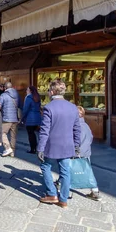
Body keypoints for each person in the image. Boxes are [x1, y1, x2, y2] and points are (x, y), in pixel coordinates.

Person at [37, 79, 81, 208]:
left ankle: (52, 194)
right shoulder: (73, 107)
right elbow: (77, 128)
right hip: (68, 144)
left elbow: (44, 131)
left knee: (45, 166)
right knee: (65, 171)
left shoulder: (48, 108)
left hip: (52, 145)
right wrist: (77, 145)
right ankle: (63, 199)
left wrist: (40, 148)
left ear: (51, 91)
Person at [77, 106, 101, 201]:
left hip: (77, 152)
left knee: (67, 168)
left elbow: (76, 140)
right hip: (86, 151)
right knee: (88, 171)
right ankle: (95, 191)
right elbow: (90, 138)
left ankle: (62, 187)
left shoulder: (76, 126)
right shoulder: (86, 125)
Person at [0, 82, 21, 157]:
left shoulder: (3, 95)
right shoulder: (17, 94)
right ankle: (12, 152)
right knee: (13, 135)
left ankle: (8, 148)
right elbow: (20, 105)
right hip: (15, 118)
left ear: (5, 88)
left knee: (2, 133)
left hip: (6, 118)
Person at [21, 85, 42, 154]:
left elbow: (25, 109)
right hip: (37, 117)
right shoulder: (37, 97)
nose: (26, 91)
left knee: (31, 134)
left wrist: (22, 118)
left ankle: (33, 149)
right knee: (35, 134)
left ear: (30, 91)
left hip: (30, 118)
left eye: (27, 90)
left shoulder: (28, 98)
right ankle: (38, 148)